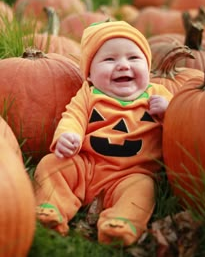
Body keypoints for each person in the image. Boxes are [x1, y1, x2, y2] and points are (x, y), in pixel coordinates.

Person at [34, 20, 173, 246]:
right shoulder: (88, 95)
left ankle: (120, 223)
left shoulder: (158, 94)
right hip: (87, 167)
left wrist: (168, 112)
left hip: (130, 174)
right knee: (52, 164)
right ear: (89, 74)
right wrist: (68, 137)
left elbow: (183, 130)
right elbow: (73, 117)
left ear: (147, 66)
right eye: (109, 59)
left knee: (143, 189)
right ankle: (50, 209)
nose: (123, 65)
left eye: (133, 58)